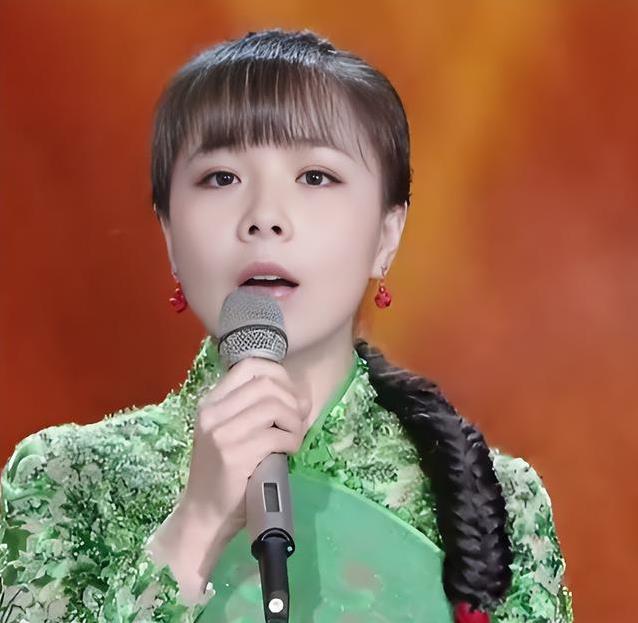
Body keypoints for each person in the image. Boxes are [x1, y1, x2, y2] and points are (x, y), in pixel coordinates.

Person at [0, 28, 573, 622]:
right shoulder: (65, 476)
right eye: (222, 178)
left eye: (315, 177)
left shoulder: (503, 502)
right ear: (169, 236)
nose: (265, 218)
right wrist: (194, 528)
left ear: (387, 234)